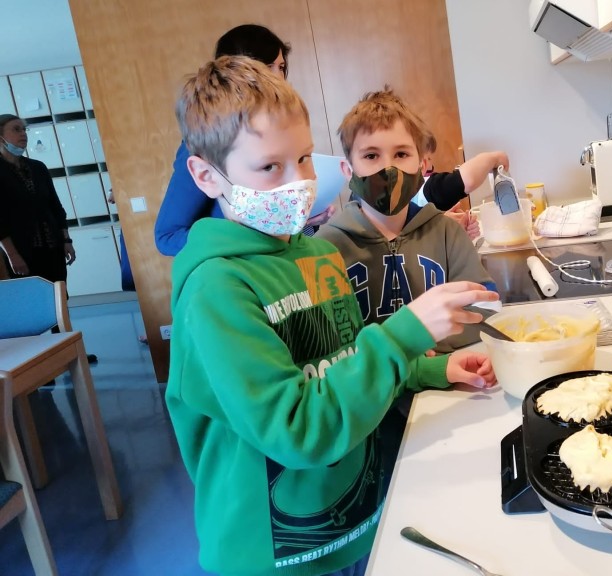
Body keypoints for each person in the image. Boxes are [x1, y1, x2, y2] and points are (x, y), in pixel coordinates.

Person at [166, 55, 498, 576]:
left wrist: (430, 368)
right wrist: (404, 333)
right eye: (269, 166)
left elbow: (344, 353)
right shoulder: (216, 292)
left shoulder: (316, 256)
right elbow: (297, 429)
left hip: (356, 520)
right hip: (276, 556)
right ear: (206, 176)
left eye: (302, 159)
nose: (296, 181)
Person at [317, 88, 496, 353]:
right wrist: (406, 353)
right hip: (372, 391)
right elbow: (326, 340)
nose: (388, 169)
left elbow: (484, 307)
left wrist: (429, 347)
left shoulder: (447, 233)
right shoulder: (326, 248)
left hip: (444, 382)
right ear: (347, 170)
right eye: (370, 156)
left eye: (401, 154)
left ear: (423, 166)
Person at [154, 23, 332, 257]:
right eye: (268, 67)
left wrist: (301, 221)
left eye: (282, 67)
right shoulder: (208, 145)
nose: (279, 77)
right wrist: (239, 239)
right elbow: (167, 236)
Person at [0, 113, 98, 364]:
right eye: (16, 129)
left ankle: (68, 353)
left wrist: (67, 240)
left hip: (51, 243)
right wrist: (13, 255)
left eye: (24, 129)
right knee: (30, 305)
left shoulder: (38, 168)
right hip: (21, 250)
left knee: (58, 298)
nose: (23, 134)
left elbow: (56, 206)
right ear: (1, 136)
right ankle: (37, 360)